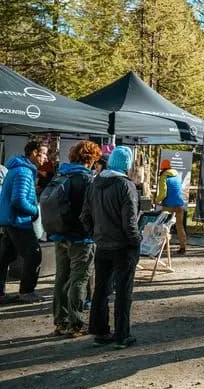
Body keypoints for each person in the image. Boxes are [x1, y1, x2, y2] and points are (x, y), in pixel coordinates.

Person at [81, 146, 140, 349]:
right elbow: (129, 221)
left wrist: (96, 235)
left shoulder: (95, 183)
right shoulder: (126, 185)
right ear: (127, 164)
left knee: (101, 289)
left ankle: (100, 332)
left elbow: (85, 216)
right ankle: (122, 335)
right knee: (123, 291)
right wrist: (135, 241)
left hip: (103, 244)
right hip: (123, 246)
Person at [50, 140, 102, 337]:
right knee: (79, 280)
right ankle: (76, 324)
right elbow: (93, 210)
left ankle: (60, 322)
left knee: (61, 278)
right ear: (90, 159)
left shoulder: (61, 175)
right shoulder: (88, 179)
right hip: (82, 238)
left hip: (59, 234)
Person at [0, 139, 48, 303]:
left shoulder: (17, 169)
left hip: (10, 219)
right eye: (44, 154)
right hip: (18, 221)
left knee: (5, 256)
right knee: (34, 255)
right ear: (34, 153)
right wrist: (35, 211)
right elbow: (18, 200)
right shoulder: (24, 172)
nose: (46, 158)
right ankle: (27, 292)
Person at [156, 159, 187, 255]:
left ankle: (165, 247)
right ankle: (183, 247)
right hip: (180, 205)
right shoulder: (177, 176)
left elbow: (163, 193)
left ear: (162, 169)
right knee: (180, 226)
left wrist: (156, 200)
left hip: (168, 205)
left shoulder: (164, 177)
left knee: (164, 226)